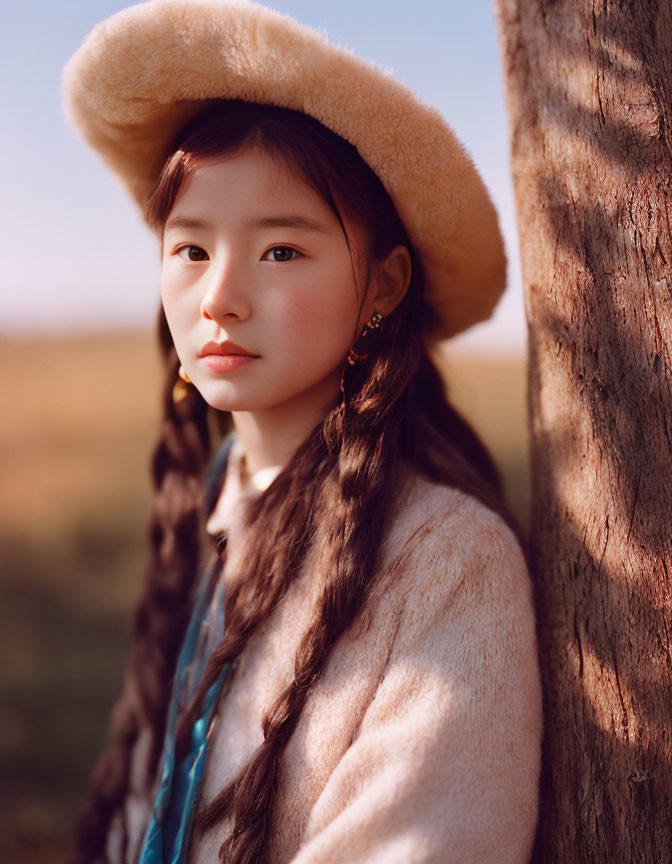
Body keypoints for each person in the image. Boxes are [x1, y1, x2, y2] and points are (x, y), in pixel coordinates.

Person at [62, 2, 543, 863]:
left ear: (384, 288)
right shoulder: (215, 506)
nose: (220, 297)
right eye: (192, 248)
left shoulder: (448, 563)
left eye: (281, 251)